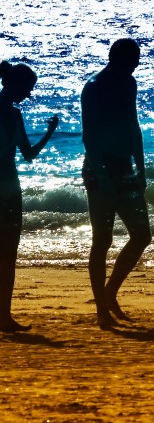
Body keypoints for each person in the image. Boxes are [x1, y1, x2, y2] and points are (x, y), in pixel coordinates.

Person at [81, 38, 151, 329]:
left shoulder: (129, 83)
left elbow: (132, 124)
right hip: (100, 170)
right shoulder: (94, 87)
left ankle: (110, 293)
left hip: (125, 167)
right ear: (116, 59)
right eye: (132, 60)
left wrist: (141, 165)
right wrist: (103, 174)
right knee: (103, 240)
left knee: (141, 235)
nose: (136, 65)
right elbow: (89, 135)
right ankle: (101, 309)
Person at [0, 61, 59, 331]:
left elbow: (28, 155)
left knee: (9, 255)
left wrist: (48, 132)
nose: (28, 96)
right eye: (27, 89)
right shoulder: (12, 116)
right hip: (9, 190)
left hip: (11, 190)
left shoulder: (15, 115)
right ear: (13, 85)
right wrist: (48, 133)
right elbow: (29, 156)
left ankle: (4, 316)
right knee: (7, 255)